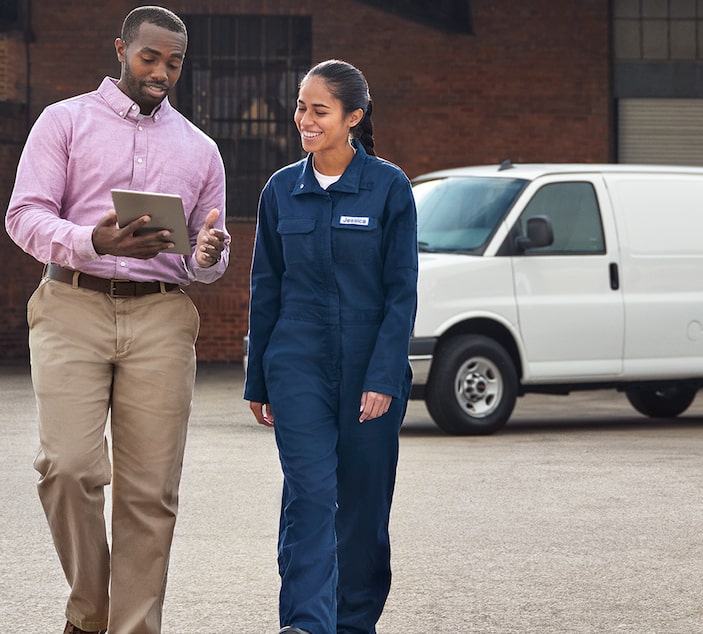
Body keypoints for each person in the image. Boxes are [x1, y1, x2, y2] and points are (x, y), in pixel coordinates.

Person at [4, 6, 229, 634]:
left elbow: (205, 254)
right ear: (121, 49)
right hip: (71, 303)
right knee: (68, 468)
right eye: (150, 57)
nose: (161, 72)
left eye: (174, 62)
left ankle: (134, 628)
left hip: (161, 313)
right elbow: (23, 215)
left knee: (150, 491)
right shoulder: (64, 121)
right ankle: (90, 609)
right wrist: (91, 240)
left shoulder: (200, 148)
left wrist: (209, 255)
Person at [245, 59, 418, 634]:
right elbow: (266, 288)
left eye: (319, 110)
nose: (305, 120)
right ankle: (305, 623)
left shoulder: (389, 187)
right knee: (311, 495)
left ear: (353, 118)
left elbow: (401, 293)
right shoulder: (281, 191)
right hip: (297, 362)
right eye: (301, 107)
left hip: (369, 362)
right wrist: (258, 379)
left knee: (363, 506)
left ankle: (353, 623)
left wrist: (384, 376)